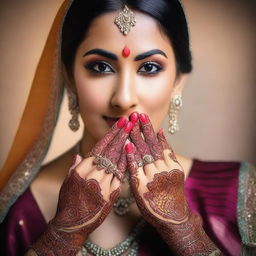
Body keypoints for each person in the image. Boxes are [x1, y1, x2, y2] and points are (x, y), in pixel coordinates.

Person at [0, 0, 255, 255]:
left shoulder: (237, 194)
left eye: (149, 67)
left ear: (178, 81)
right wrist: (62, 235)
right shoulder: (19, 207)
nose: (123, 98)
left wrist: (184, 231)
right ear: (69, 76)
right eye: (100, 67)